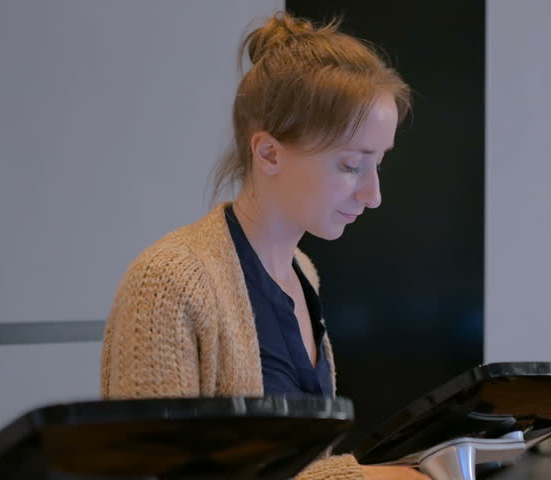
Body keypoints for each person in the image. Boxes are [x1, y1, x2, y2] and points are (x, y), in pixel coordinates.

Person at [101, 12, 427, 480]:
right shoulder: (167, 283)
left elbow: (292, 467)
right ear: (269, 152)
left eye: (380, 163)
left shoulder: (302, 272)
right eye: (352, 165)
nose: (373, 194)